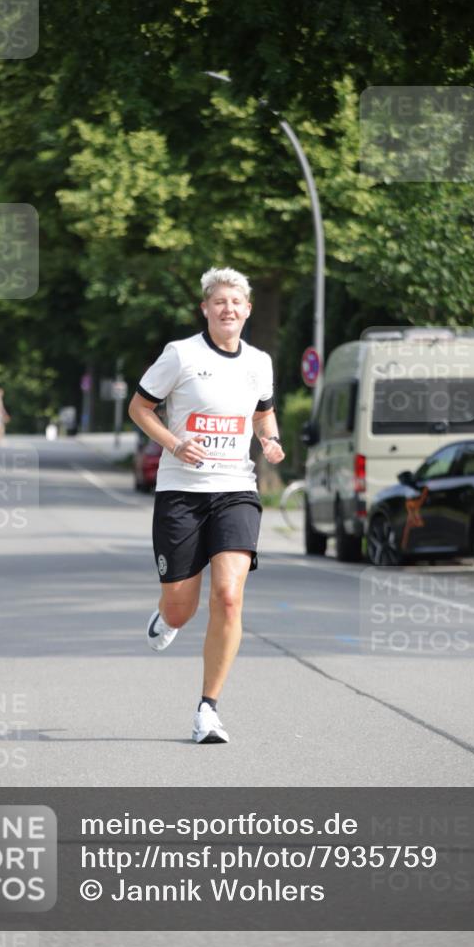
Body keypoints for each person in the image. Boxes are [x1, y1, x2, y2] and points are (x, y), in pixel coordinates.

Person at [128, 267, 285, 744]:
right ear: (205, 308)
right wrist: (174, 444)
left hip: (236, 489)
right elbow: (139, 408)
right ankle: (166, 616)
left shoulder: (259, 362)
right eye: (219, 302)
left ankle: (207, 711)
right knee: (181, 609)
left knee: (230, 597)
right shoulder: (180, 355)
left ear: (248, 310)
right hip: (181, 493)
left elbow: (263, 412)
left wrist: (271, 440)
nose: (228, 309)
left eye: (236, 303)